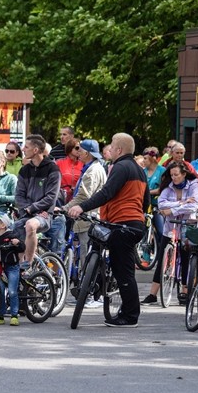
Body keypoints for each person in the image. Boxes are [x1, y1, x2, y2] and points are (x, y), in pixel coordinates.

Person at [68, 133, 149, 328]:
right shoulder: (139, 170)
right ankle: (97, 280)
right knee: (121, 266)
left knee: (124, 272)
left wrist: (82, 207)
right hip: (133, 223)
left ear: (119, 150)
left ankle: (130, 316)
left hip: (123, 224)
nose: (109, 149)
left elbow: (106, 193)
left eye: (112, 146)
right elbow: (145, 202)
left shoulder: (121, 167)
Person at [141, 162, 198, 305]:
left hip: (186, 225)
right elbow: (161, 204)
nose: (173, 178)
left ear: (184, 174)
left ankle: (185, 290)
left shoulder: (193, 185)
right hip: (171, 226)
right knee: (162, 258)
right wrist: (181, 203)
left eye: (176, 175)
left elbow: (194, 206)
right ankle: (153, 294)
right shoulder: (168, 186)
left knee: (186, 257)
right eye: (171, 175)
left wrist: (172, 210)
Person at [14, 134, 61, 270]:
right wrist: (27, 208)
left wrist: (33, 208)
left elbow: (51, 197)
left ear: (35, 150)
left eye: (26, 147)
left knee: (30, 225)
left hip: (44, 214)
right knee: (10, 231)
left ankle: (27, 264)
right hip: (27, 212)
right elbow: (19, 195)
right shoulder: (24, 170)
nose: (23, 149)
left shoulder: (53, 169)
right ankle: (17, 267)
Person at [64, 139, 107, 271]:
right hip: (87, 217)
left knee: (85, 254)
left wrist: (65, 208)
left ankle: (85, 287)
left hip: (88, 218)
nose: (78, 153)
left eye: (80, 150)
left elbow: (84, 196)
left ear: (87, 153)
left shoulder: (93, 171)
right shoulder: (92, 168)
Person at [55, 139, 84, 203]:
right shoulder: (59, 163)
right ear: (70, 148)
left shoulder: (83, 164)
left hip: (77, 198)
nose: (79, 150)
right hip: (61, 198)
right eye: (77, 148)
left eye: (80, 148)